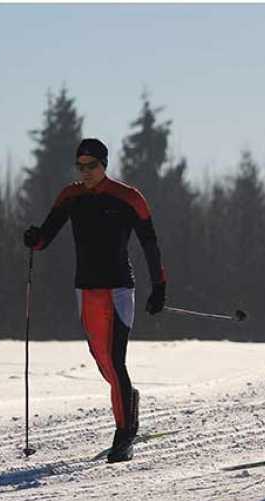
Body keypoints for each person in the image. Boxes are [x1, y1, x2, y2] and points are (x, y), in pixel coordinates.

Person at [23, 138, 167, 463]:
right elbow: (46, 235)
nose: (86, 172)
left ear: (105, 164)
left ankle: (124, 435)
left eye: (92, 165)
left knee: (116, 361)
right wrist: (35, 238)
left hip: (118, 289)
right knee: (102, 360)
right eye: (81, 166)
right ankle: (129, 401)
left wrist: (159, 286)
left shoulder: (128, 197)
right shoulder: (71, 196)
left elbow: (150, 243)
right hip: (85, 289)